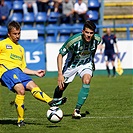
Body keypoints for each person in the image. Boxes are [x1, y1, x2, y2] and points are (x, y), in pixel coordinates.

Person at [0, 21, 67, 127]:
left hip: (18, 71)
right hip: (7, 71)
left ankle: (51, 101)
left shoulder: (20, 49)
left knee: (33, 85)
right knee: (21, 90)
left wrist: (35, 72)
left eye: (19, 33)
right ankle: (20, 120)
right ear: (9, 34)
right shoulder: (2, 44)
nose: (17, 36)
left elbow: (22, 68)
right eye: (15, 34)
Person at [53, 20, 101, 119]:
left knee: (87, 81)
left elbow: (94, 50)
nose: (89, 35)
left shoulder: (97, 39)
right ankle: (54, 107)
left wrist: (92, 62)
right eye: (87, 32)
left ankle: (77, 110)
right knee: (61, 87)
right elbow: (60, 55)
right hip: (72, 65)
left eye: (91, 33)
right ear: (83, 31)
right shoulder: (73, 41)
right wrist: (60, 74)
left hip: (86, 63)